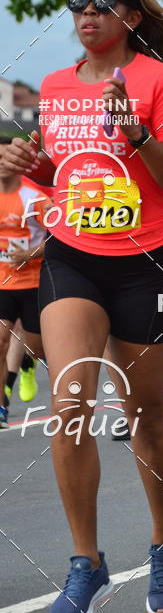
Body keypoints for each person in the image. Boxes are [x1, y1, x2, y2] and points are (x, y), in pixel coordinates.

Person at [0, 0, 163, 613]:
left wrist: (134, 131)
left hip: (146, 261)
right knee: (71, 399)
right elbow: (65, 172)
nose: (87, 12)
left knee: (146, 415)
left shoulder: (159, 81)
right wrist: (30, 163)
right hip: (72, 256)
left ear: (131, 17)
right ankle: (87, 562)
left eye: (102, 2)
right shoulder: (54, 85)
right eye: (77, 2)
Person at [0, 137, 48, 427]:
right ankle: (1, 406)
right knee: (1, 340)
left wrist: (30, 253)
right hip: (2, 284)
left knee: (36, 346)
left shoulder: (35, 199)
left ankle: (29, 362)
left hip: (34, 283)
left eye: (7, 157)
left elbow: (60, 236)